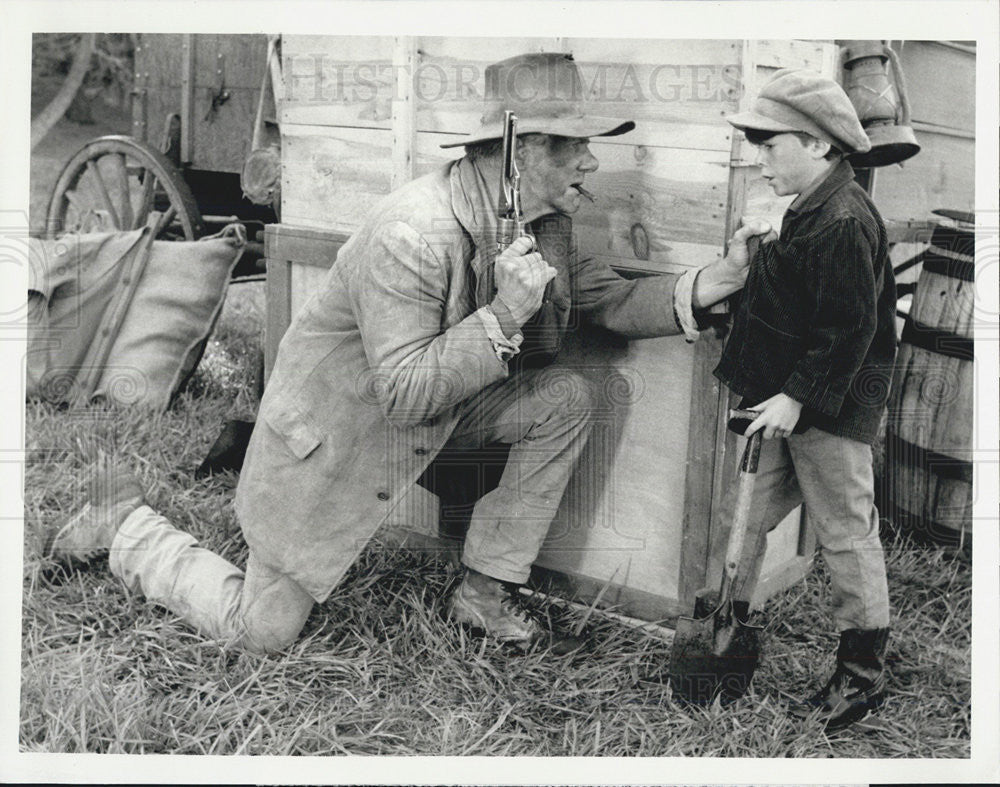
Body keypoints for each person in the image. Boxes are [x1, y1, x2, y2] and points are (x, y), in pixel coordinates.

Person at [47, 53, 769, 657]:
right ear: (514, 153)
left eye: (588, 143)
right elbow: (403, 394)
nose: (590, 158)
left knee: (566, 399)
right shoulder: (410, 233)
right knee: (260, 631)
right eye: (569, 144)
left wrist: (719, 279)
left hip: (433, 420)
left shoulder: (538, 220)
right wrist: (501, 316)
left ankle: (482, 593)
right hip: (334, 444)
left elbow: (607, 299)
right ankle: (125, 525)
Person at [705, 68, 897, 731]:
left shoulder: (843, 219)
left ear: (818, 145)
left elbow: (850, 330)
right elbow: (794, 299)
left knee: (845, 530)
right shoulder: (807, 207)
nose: (761, 159)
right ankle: (726, 635)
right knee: (746, 512)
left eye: (771, 144)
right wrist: (756, 254)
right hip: (782, 397)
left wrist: (796, 396)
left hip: (831, 404)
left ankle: (862, 673)